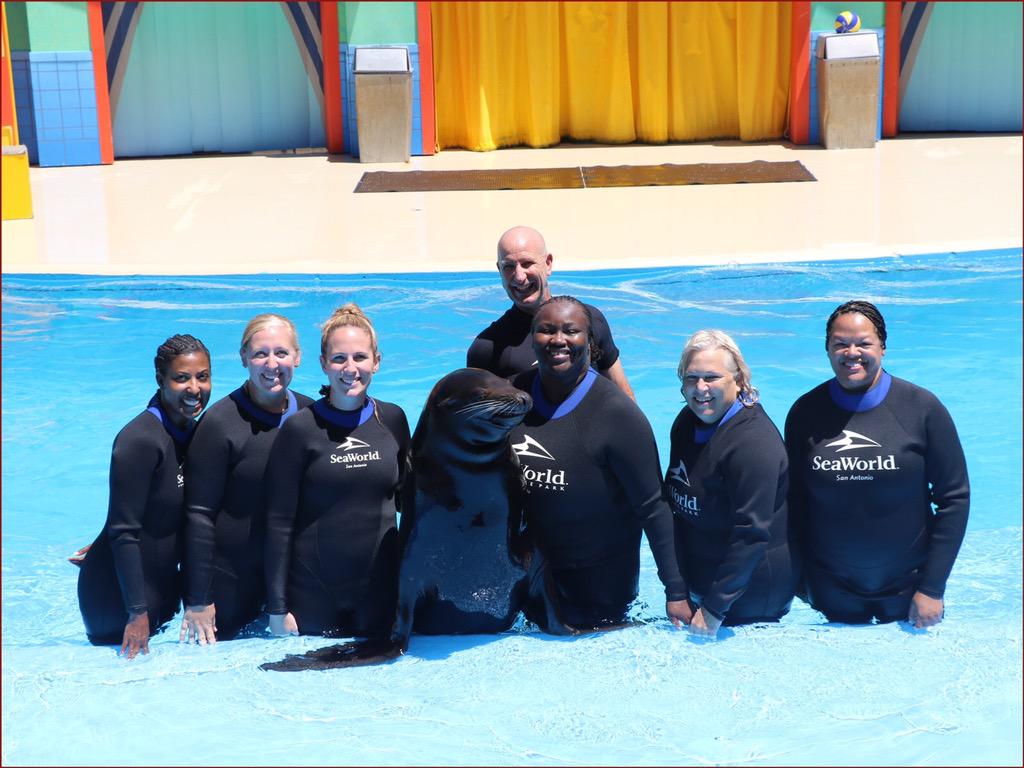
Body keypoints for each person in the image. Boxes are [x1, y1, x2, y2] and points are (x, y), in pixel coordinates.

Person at [509, 295, 690, 631]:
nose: (558, 340)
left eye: (571, 331)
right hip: (532, 579)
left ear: (589, 343)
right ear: (532, 339)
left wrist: (676, 592)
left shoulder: (618, 416)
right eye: (546, 331)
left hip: (600, 587)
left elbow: (653, 507)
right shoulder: (514, 398)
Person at [785, 301, 969, 627]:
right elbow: (794, 502)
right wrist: (799, 578)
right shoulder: (804, 412)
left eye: (863, 343)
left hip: (908, 587)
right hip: (830, 586)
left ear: (882, 347)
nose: (851, 352)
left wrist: (932, 587)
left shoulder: (922, 408)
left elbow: (954, 498)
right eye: (840, 343)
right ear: (827, 349)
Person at [264, 303, 410, 638]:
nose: (350, 369)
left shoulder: (393, 420)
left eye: (360, 357)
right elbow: (278, 523)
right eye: (339, 358)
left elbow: (409, 504)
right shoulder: (300, 429)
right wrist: (277, 608)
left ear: (376, 361)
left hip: (380, 594)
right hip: (315, 597)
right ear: (323, 365)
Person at [179, 315, 313, 645]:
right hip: (231, 583)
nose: (272, 364)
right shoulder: (220, 424)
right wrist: (197, 599)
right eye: (260, 354)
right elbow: (198, 514)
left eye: (281, 353)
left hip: (291, 583)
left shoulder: (312, 416)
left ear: (297, 356)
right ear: (243, 358)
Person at [77, 334, 212, 658]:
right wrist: (136, 614)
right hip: (116, 600)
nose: (194, 388)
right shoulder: (138, 440)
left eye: (202, 377)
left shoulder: (192, 433)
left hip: (160, 592)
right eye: (182, 378)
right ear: (160, 380)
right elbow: (124, 531)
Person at [665, 330, 797, 637]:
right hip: (706, 582)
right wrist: (677, 586)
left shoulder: (753, 444)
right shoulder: (686, 422)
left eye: (712, 377)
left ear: (738, 380)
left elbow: (751, 534)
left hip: (752, 593)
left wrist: (714, 609)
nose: (700, 389)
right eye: (691, 378)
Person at [467, 225, 635, 400]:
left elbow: (624, 395)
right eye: (508, 266)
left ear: (548, 264)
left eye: (527, 263)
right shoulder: (485, 349)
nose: (519, 276)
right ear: (499, 271)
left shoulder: (590, 320)